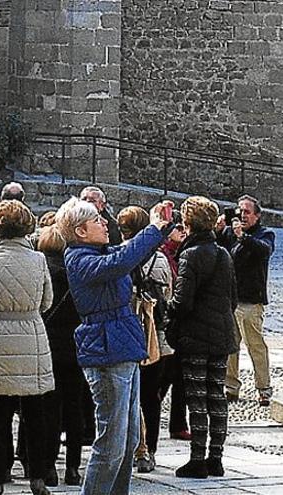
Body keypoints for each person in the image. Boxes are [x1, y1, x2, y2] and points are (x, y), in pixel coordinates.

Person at [56, 196, 172, 495]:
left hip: (121, 344)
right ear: (80, 231)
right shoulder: (80, 258)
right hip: (106, 350)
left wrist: (158, 226)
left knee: (129, 437)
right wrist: (154, 229)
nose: (105, 223)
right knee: (111, 441)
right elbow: (121, 261)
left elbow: (128, 255)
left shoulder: (98, 252)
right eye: (97, 220)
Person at [0, 200, 54, 495]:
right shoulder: (38, 260)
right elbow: (47, 301)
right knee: (34, 411)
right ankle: (38, 476)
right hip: (30, 333)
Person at [168, 196, 238, 478]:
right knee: (216, 396)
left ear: (188, 223)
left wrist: (167, 308)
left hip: (196, 335)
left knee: (197, 397)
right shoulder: (223, 253)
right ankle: (216, 458)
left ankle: (198, 458)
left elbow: (183, 301)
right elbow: (232, 298)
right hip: (221, 334)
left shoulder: (191, 254)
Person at [116, 206, 174, 473]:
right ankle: (149, 450)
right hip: (155, 334)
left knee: (127, 395)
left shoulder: (118, 256)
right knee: (151, 396)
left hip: (127, 332)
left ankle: (128, 448)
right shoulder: (160, 259)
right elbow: (169, 293)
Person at [36, 225, 86, 486]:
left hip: (47, 346)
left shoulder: (39, 271)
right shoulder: (74, 272)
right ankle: (73, 468)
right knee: (74, 408)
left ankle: (48, 466)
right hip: (74, 346)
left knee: (50, 409)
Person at [217, 195, 276, 406]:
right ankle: (231, 387)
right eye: (240, 211)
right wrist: (217, 230)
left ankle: (264, 388)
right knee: (230, 346)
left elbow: (263, 251)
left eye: (247, 212)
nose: (242, 216)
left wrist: (243, 237)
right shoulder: (229, 233)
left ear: (257, 216)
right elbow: (218, 251)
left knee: (256, 345)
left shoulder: (265, 234)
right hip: (230, 298)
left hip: (251, 300)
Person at [158, 213, 191, 441]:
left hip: (181, 325)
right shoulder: (162, 254)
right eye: (176, 226)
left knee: (180, 377)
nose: (182, 230)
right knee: (161, 378)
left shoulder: (186, 253)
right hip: (165, 324)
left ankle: (178, 423)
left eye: (183, 226)